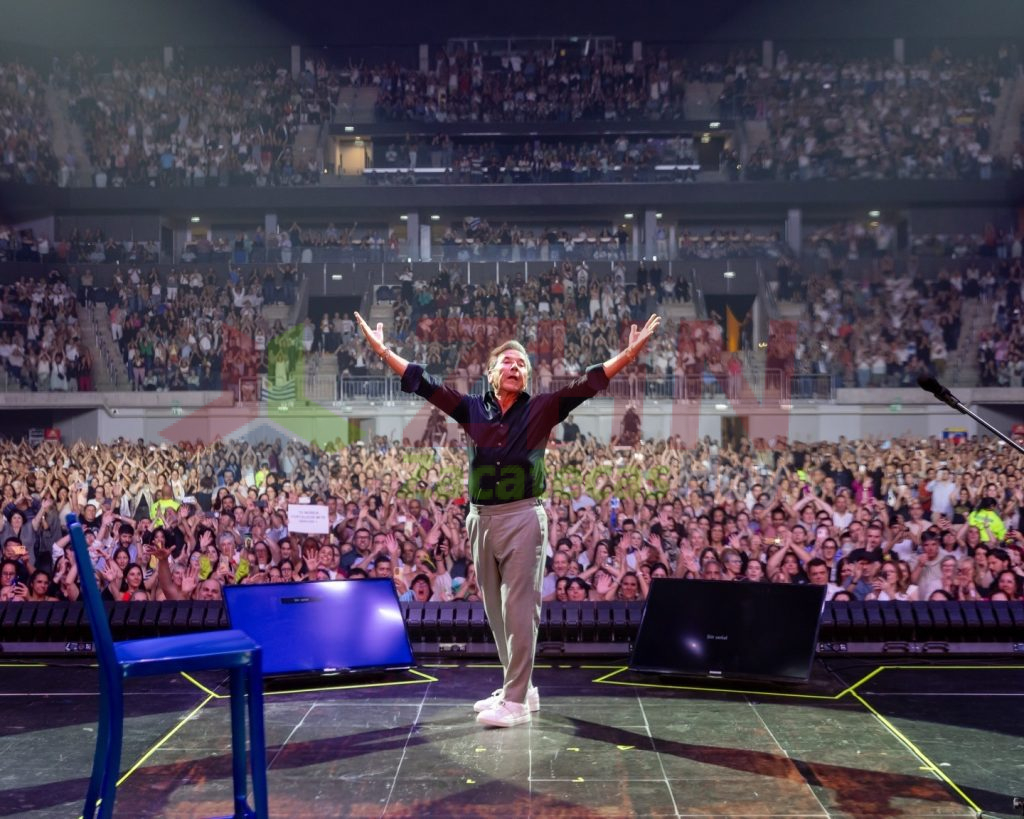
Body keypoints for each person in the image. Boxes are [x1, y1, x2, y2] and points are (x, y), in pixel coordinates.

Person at [355, 309, 660, 728]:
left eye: (521, 364)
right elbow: (425, 384)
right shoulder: (471, 410)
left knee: (519, 609)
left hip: (523, 517)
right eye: (507, 362)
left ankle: (515, 702)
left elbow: (587, 384)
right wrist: (384, 352)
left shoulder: (542, 409)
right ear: (491, 373)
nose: (515, 367)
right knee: (496, 611)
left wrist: (627, 355)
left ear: (527, 376)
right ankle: (522, 688)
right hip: (480, 518)